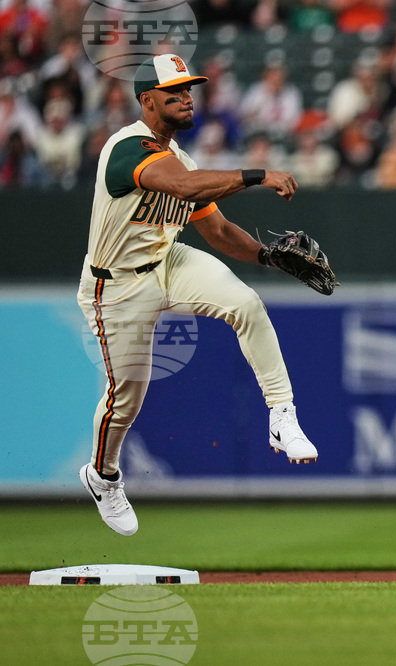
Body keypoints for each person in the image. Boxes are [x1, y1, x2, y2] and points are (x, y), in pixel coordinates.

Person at [78, 54, 320, 537]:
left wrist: (268, 257)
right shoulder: (126, 149)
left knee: (246, 304)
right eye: (175, 92)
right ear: (147, 101)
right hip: (117, 285)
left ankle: (282, 415)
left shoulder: (180, 158)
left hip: (166, 261)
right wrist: (256, 175)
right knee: (125, 400)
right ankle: (103, 476)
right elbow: (184, 186)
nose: (187, 98)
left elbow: (218, 231)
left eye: (189, 89)